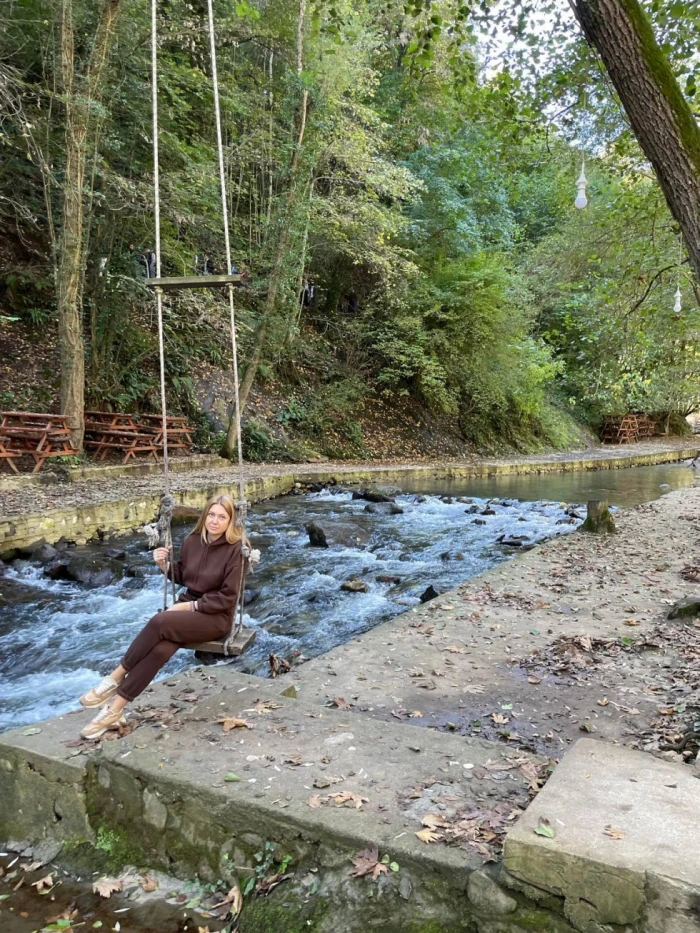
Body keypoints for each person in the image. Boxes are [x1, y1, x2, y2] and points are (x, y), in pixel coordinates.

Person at [78, 495, 248, 739]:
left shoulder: (237, 549)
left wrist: (187, 608)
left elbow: (228, 598)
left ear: (231, 521)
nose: (215, 521)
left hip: (216, 616)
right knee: (160, 650)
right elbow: (186, 576)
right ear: (205, 516)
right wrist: (164, 565)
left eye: (222, 517)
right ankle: (114, 710)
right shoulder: (192, 541)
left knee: (159, 621)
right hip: (189, 606)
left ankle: (114, 678)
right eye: (212, 514)